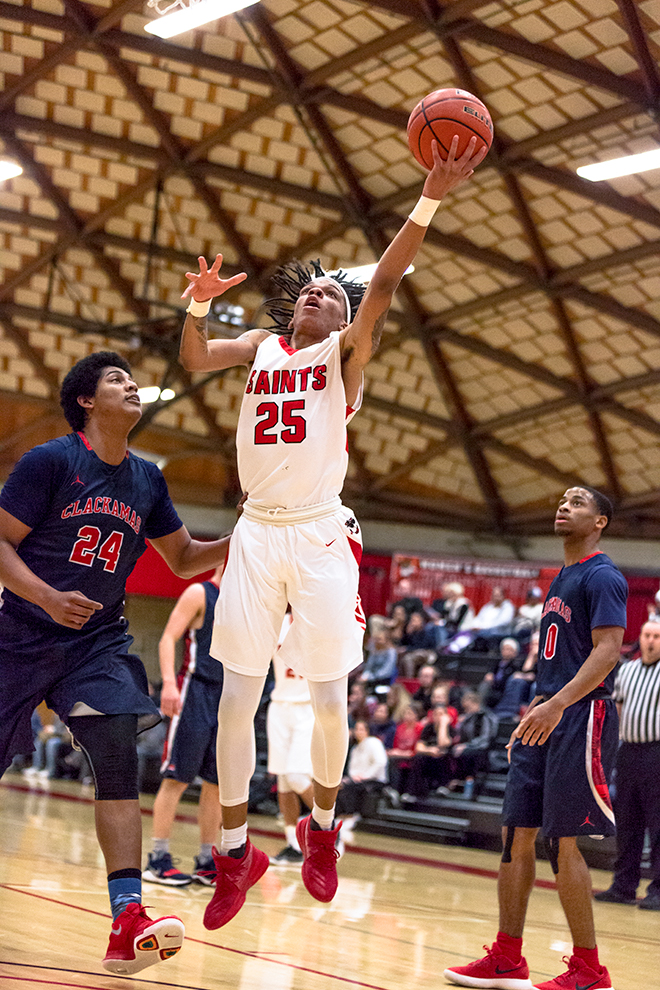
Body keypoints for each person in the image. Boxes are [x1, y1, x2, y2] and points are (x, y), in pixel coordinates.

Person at [178, 134, 486, 930]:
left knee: (326, 700)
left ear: (348, 322)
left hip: (318, 534)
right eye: (310, 291)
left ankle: (321, 832)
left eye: (330, 296)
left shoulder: (345, 357)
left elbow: (383, 280)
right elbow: (194, 354)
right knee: (235, 702)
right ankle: (236, 853)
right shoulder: (260, 347)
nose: (316, 295)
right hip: (253, 532)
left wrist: (430, 197)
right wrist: (199, 300)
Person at [0, 352, 231, 975]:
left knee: (117, 753)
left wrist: (251, 537)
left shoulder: (147, 480)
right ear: (85, 400)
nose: (131, 387)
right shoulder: (51, 461)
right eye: (116, 381)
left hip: (96, 642)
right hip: (19, 633)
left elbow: (183, 559)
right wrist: (45, 595)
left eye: (133, 381)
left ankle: (128, 919)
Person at [445, 486, 627, 990]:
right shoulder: (562, 577)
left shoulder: (603, 574)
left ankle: (590, 971)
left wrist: (556, 706)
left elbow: (608, 651)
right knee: (513, 835)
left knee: (559, 840)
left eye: (578, 502)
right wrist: (534, 716)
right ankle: (506, 958)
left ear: (600, 522)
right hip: (546, 715)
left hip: (580, 716)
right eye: (562, 500)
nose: (564, 506)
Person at [143, 564, 225, 887]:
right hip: (194, 690)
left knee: (216, 784)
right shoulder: (200, 593)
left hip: (226, 696)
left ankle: (207, 860)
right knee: (176, 777)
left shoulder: (242, 601)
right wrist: (168, 683)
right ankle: (157, 859)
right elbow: (168, 637)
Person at [595, 618, 660, 910]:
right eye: (647, 635)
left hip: (657, 752)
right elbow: (617, 711)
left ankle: (658, 889)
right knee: (628, 823)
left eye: (657, 637)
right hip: (630, 752)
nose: (650, 641)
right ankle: (623, 886)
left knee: (658, 824)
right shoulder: (628, 671)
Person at [267, 611, 316, 866]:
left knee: (297, 776)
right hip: (279, 704)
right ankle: (293, 845)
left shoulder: (319, 620)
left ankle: (329, 829)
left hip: (307, 707)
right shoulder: (276, 621)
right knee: (284, 780)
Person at [442, 691, 498, 799]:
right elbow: (459, 735)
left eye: (468, 707)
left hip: (482, 748)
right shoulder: (468, 717)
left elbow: (485, 739)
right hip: (467, 745)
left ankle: (462, 782)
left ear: (475, 703)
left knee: (466, 753)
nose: (466, 710)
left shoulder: (486, 717)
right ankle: (448, 782)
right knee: (447, 751)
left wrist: (466, 746)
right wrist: (460, 723)